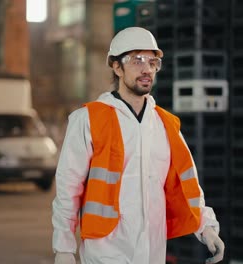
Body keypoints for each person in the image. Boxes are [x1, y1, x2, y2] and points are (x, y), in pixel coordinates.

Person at [52, 27, 225, 264]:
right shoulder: (88, 119)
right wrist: (64, 246)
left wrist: (206, 227)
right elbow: (68, 187)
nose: (147, 69)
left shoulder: (166, 124)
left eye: (153, 62)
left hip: (152, 248)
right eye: (137, 60)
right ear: (116, 66)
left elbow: (187, 185)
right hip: (106, 249)